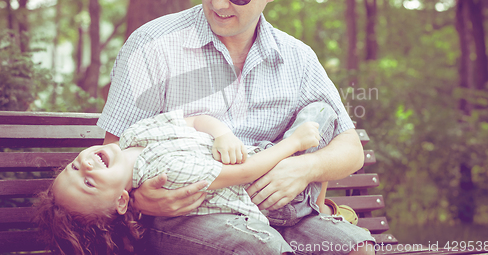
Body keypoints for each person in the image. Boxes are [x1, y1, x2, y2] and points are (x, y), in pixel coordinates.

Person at [97, 0, 375, 254]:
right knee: (261, 249)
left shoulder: (298, 58)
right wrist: (140, 200)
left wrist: (304, 168)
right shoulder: (151, 45)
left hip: (280, 212)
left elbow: (350, 147)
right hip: (185, 215)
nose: (219, 3)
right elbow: (114, 154)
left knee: (356, 248)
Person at [35, 108, 323, 254]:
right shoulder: (165, 175)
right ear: (122, 200)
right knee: (320, 116)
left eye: (74, 167)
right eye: (89, 183)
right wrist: (294, 143)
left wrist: (222, 133)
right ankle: (317, 203)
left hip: (272, 167)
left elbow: (197, 121)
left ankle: (320, 201)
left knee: (322, 112)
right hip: (280, 201)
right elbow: (246, 173)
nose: (86, 165)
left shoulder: (135, 135)